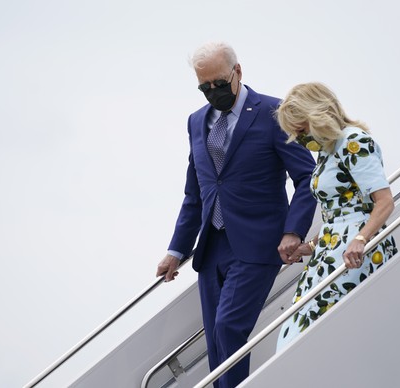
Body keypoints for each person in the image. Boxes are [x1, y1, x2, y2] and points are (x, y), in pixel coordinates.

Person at [155, 41, 317, 388]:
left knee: (229, 326)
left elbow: (307, 177)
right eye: (204, 88)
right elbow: (195, 192)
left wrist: (294, 232)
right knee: (216, 341)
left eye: (219, 83)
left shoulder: (275, 112)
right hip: (212, 247)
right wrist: (176, 250)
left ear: (238, 71)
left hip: (259, 244)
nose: (213, 93)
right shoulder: (196, 122)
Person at [274, 82, 398, 351]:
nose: (301, 137)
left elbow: (384, 202)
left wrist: (362, 239)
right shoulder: (327, 151)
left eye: (302, 129)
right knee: (295, 330)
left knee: (319, 332)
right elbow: (338, 214)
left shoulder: (353, 141)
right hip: (332, 251)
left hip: (355, 252)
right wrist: (310, 246)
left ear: (318, 114)